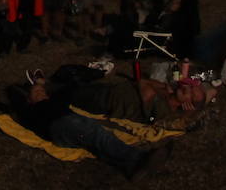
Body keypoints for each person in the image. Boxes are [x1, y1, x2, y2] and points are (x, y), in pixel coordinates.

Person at [15, 76, 172, 180]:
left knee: (96, 135)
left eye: (42, 92)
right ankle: (137, 158)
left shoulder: (51, 101)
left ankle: (131, 165)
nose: (42, 94)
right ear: (29, 99)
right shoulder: (32, 110)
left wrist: (42, 86)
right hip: (58, 126)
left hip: (69, 121)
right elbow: (20, 110)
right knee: (95, 134)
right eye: (37, 92)